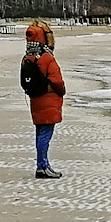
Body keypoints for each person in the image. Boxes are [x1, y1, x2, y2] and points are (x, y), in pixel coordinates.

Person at [22, 21, 66, 178]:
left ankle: (43, 164)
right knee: (45, 135)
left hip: (35, 100)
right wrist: (62, 91)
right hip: (49, 101)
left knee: (40, 134)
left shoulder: (28, 57)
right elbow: (57, 81)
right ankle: (42, 166)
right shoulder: (47, 58)